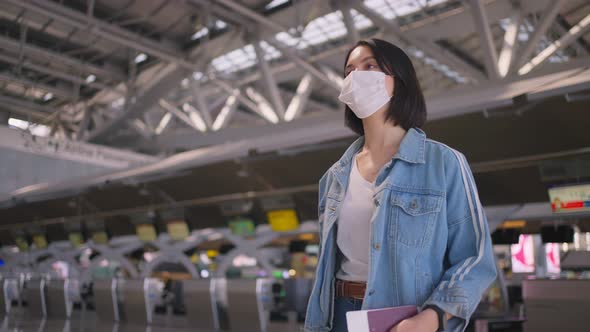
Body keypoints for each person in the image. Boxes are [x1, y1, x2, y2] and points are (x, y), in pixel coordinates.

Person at [304, 39, 497, 332]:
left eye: (370, 66)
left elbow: (475, 258)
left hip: (407, 320)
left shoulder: (443, 163)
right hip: (338, 317)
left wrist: (432, 318)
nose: (357, 76)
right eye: (349, 71)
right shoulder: (334, 177)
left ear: (400, 81)